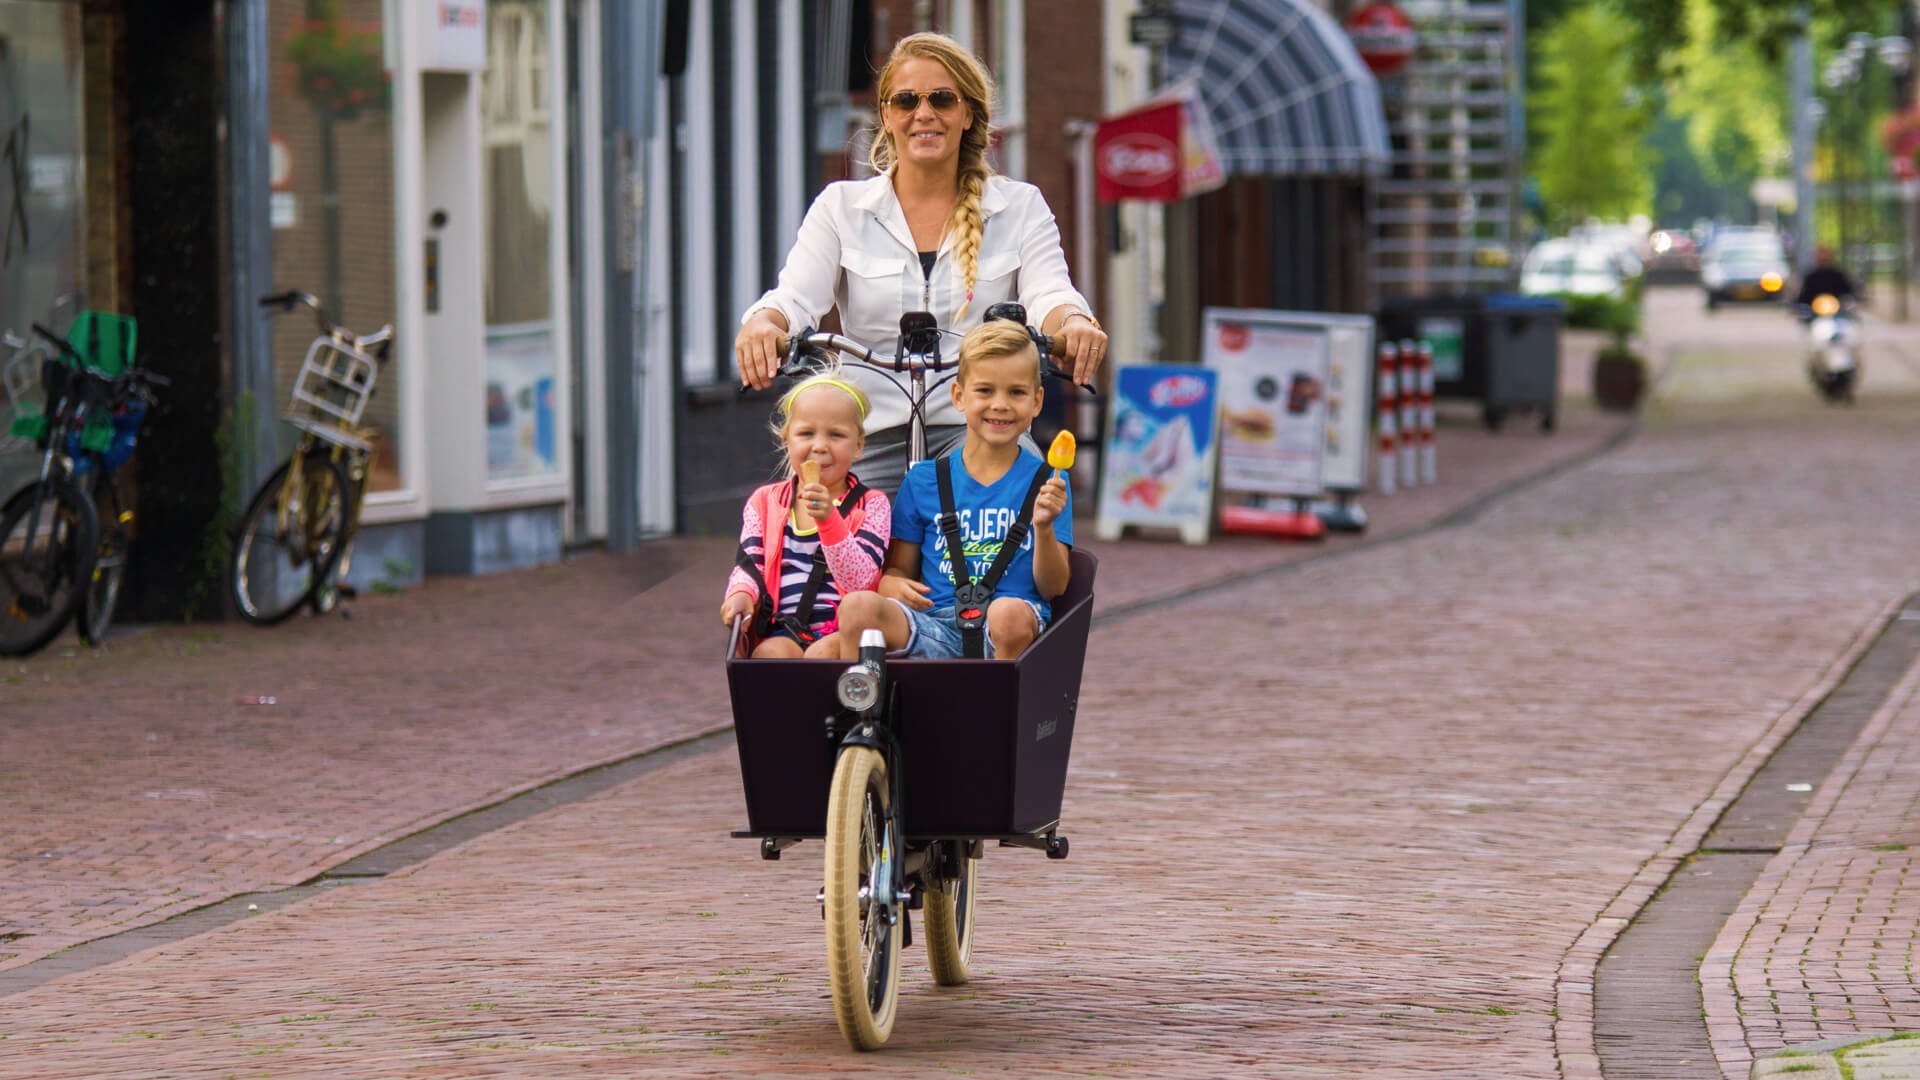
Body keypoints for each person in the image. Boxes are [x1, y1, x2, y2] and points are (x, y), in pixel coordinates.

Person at [734, 31, 1109, 496]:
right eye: (907, 100)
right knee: (812, 519)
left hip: (976, 424)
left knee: (1024, 496)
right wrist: (766, 323)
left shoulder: (1018, 206)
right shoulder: (841, 207)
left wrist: (1072, 323)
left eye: (943, 100)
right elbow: (794, 297)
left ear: (968, 114)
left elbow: (1048, 292)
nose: (924, 114)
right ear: (887, 115)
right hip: (871, 426)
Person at [833, 321, 1069, 660]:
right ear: (959, 396)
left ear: (1037, 401)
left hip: (1008, 627)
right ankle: (863, 703)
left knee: (1007, 615)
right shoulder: (923, 480)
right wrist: (891, 585)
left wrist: (1044, 527)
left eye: (1016, 392)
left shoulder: (1049, 480)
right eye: (985, 391)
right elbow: (899, 570)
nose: (1000, 404)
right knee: (858, 606)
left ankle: (998, 706)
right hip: (933, 625)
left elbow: (1054, 587)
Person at [721, 371, 892, 658]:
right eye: (806, 434)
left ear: (859, 445)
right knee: (771, 655)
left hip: (841, 631)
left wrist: (829, 521)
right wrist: (740, 593)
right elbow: (751, 565)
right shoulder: (764, 502)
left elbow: (860, 581)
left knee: (821, 657)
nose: (820, 446)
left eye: (836, 435)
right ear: (786, 438)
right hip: (781, 627)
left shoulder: (872, 504)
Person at [1794, 247, 1861, 310]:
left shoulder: (1838, 275)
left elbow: (1847, 290)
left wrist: (1850, 299)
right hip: (1814, 311)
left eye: (1825, 258)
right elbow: (1804, 295)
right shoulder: (1811, 276)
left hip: (1837, 310)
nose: (1823, 259)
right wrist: (1800, 304)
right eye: (1821, 257)